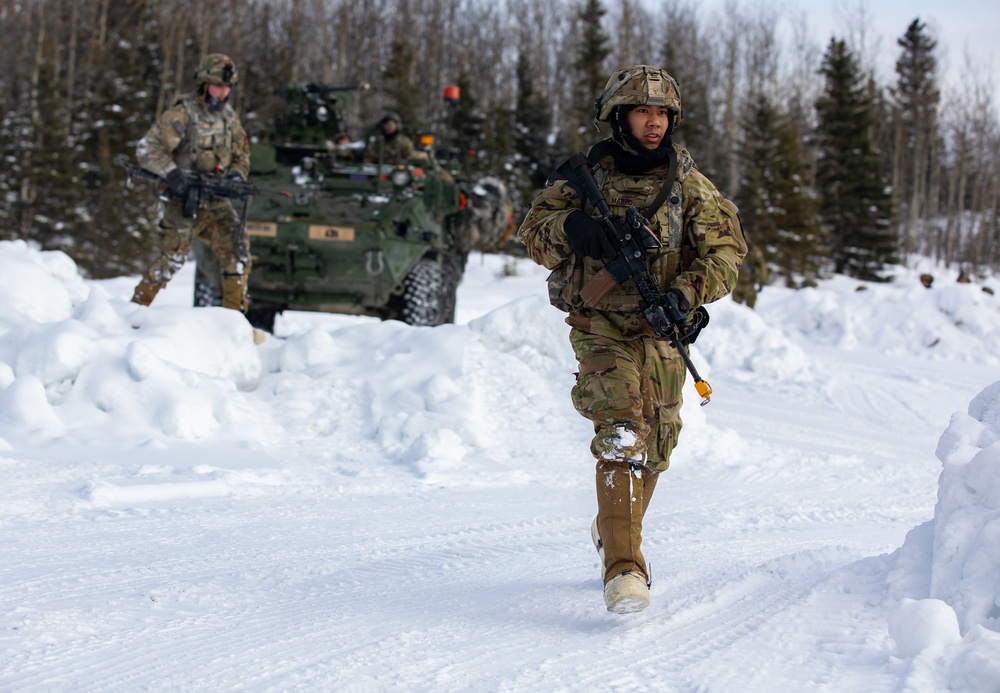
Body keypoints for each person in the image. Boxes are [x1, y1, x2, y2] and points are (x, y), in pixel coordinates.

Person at [517, 65, 746, 613]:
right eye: (643, 111)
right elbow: (532, 235)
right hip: (601, 327)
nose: (654, 123)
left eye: (663, 112)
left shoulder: (686, 181)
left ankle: (613, 526)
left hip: (661, 328)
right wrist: (576, 229)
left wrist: (686, 294)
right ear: (618, 117)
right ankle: (624, 569)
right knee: (622, 431)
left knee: (658, 446)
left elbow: (728, 252)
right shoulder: (583, 177)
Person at [131, 53, 251, 313]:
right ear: (204, 84)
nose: (223, 92)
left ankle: (234, 323)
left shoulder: (230, 119)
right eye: (218, 86)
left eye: (227, 87)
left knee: (238, 252)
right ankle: (134, 311)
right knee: (171, 260)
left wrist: (236, 176)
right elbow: (147, 148)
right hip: (185, 201)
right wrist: (171, 173)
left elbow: (242, 155)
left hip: (216, 201)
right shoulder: (183, 114)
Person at [732, 242, 768, 308]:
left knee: (749, 310)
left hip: (749, 284)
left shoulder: (754, 251)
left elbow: (762, 267)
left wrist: (762, 282)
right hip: (737, 283)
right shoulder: (735, 247)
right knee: (735, 308)